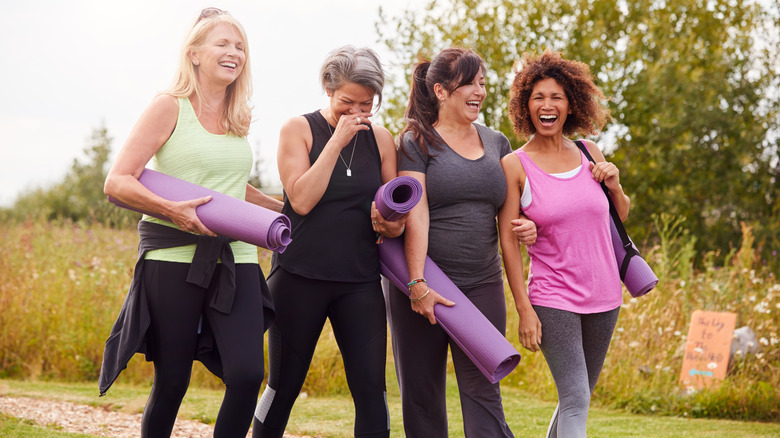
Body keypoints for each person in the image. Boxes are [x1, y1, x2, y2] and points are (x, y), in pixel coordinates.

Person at [99, 8, 282, 437]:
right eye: (222, 44)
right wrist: (173, 211)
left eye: (239, 47)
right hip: (172, 258)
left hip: (236, 259)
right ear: (194, 53)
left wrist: (283, 211)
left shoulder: (239, 117)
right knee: (173, 382)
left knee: (247, 374)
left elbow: (233, 187)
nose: (233, 53)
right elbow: (117, 181)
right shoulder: (169, 107)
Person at [251, 46, 404, 438]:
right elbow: (300, 199)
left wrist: (391, 223)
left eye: (366, 105)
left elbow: (394, 215)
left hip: (359, 281)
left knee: (371, 390)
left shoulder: (382, 139)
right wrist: (336, 142)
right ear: (327, 89)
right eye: (346, 102)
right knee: (281, 387)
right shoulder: (297, 130)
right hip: (298, 277)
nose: (356, 113)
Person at [386, 47, 524, 438]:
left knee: (484, 387)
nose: (480, 91)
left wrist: (527, 227)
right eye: (470, 83)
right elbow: (417, 211)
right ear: (442, 91)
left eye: (483, 82)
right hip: (426, 281)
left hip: (482, 282)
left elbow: (510, 212)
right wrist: (416, 283)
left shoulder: (497, 142)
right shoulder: (417, 141)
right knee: (422, 393)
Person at [498, 49, 629, 438]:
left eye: (556, 96)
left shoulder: (590, 152)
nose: (547, 105)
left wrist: (615, 184)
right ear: (526, 106)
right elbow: (509, 240)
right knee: (575, 396)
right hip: (553, 296)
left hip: (606, 294)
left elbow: (617, 217)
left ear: (571, 103)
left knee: (580, 395)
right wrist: (524, 308)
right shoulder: (515, 165)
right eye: (538, 97)